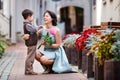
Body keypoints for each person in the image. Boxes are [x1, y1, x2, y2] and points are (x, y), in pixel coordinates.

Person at [22, 9, 38, 75]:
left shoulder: (28, 24)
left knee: (31, 57)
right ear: (29, 16)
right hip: (31, 43)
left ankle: (30, 70)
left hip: (32, 42)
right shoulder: (27, 24)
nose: (33, 18)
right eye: (32, 16)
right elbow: (35, 29)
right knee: (30, 57)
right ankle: (28, 70)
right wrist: (35, 23)